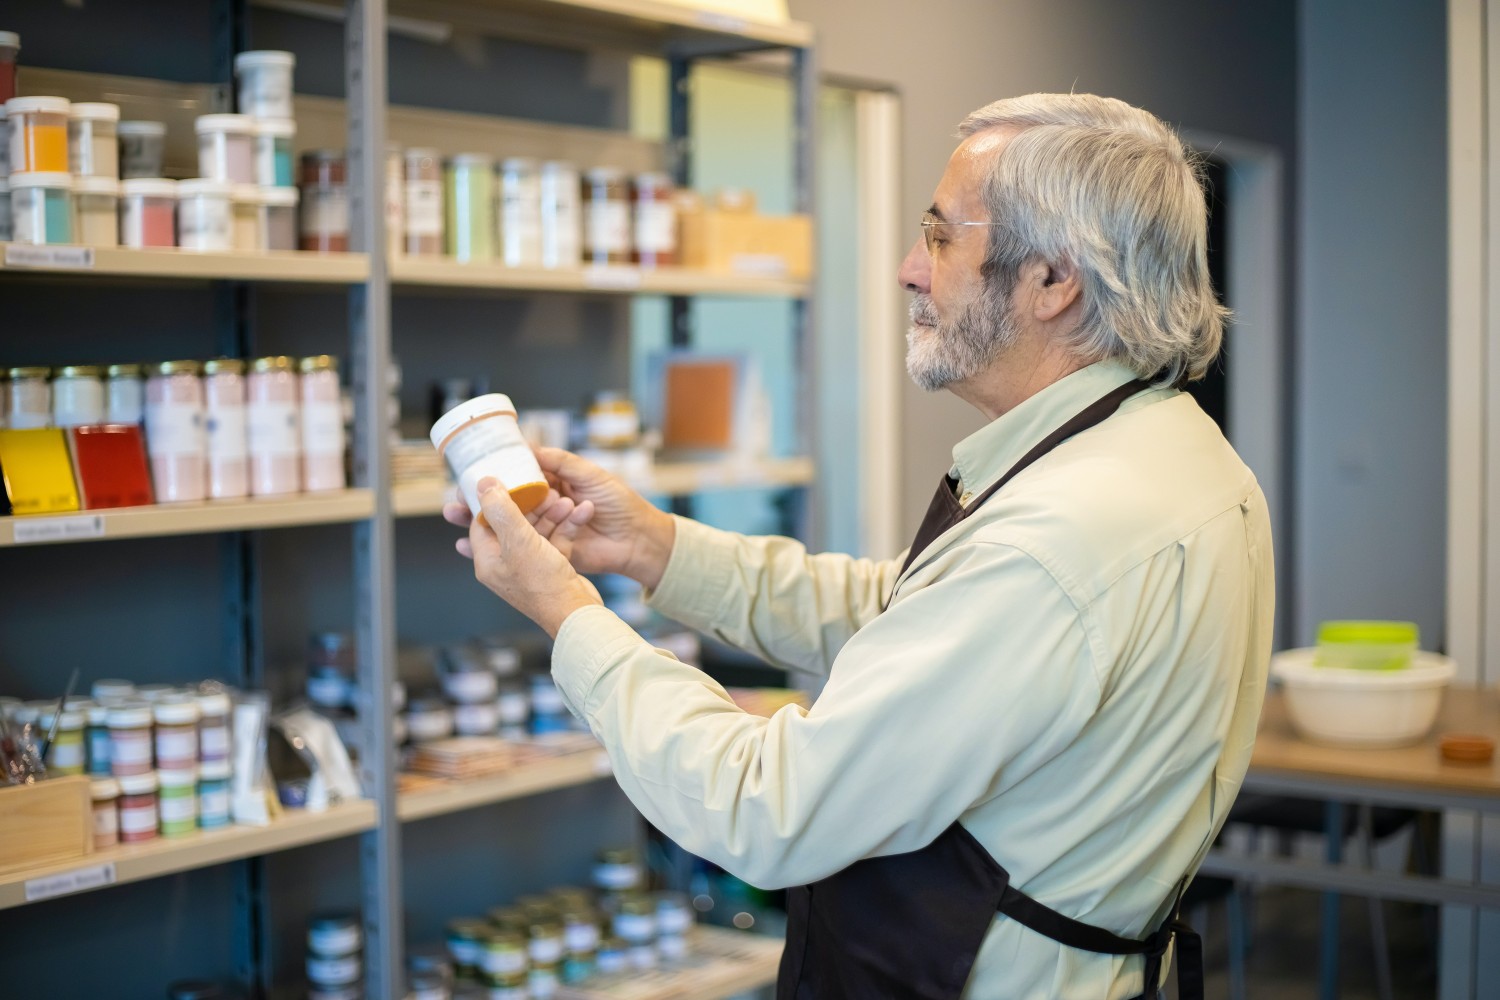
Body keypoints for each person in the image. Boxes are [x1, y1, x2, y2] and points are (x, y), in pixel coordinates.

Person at [443, 93, 1275, 1000]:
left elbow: (767, 808)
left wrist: (565, 614)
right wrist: (653, 546)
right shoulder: (1170, 454)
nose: (909, 269)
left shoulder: (1057, 541)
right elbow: (911, 617)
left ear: (1052, 280)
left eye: (941, 235)